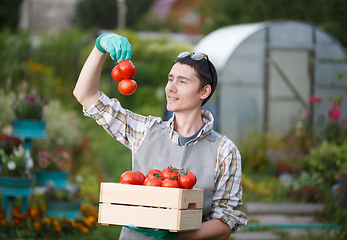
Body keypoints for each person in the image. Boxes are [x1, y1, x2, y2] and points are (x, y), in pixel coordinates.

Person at [73, 33, 247, 240]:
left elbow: (226, 220)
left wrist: (175, 237)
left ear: (204, 91)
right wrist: (99, 48)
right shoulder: (145, 131)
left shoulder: (224, 151)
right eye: (170, 79)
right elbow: (85, 96)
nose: (170, 88)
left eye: (182, 82)